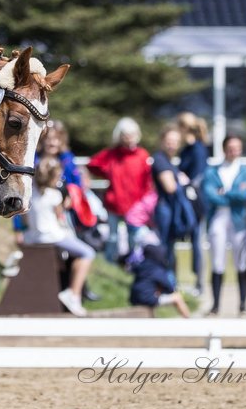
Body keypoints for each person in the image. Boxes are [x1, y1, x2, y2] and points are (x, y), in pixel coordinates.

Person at [22, 158, 95, 317]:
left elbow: (25, 220)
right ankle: (73, 293)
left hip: (32, 238)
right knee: (87, 253)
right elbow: (60, 217)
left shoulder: (28, 194)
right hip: (53, 237)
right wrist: (64, 205)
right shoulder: (55, 195)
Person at [202, 135, 246, 316]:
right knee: (217, 262)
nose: (234, 150)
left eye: (237, 147)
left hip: (239, 220)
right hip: (218, 217)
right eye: (231, 147)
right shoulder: (212, 171)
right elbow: (210, 194)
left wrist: (225, 193)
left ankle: (242, 304)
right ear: (224, 149)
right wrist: (234, 193)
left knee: (241, 261)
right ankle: (216, 304)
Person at [86, 117, 153, 263]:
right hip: (114, 202)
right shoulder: (112, 154)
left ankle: (132, 263)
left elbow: (148, 181)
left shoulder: (142, 155)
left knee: (133, 237)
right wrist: (106, 172)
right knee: (112, 236)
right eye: (125, 135)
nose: (129, 138)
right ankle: (110, 264)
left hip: (135, 205)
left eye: (131, 134)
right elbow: (92, 164)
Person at [150, 125, 196, 279]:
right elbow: (169, 187)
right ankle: (165, 284)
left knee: (170, 249)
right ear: (162, 141)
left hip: (170, 210)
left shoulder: (170, 162)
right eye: (169, 141)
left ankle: (170, 284)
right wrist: (181, 182)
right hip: (164, 210)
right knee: (164, 249)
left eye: (176, 141)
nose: (172, 144)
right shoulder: (160, 160)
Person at [176, 112, 210, 295]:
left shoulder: (197, 149)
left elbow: (197, 176)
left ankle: (199, 284)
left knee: (197, 241)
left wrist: (184, 181)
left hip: (196, 202)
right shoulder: (188, 150)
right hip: (188, 200)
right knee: (192, 241)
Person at [127, 230, 191, 318]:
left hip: (133, 298)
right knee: (177, 297)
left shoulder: (142, 265)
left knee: (156, 292)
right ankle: (190, 321)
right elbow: (169, 286)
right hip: (146, 299)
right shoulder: (156, 268)